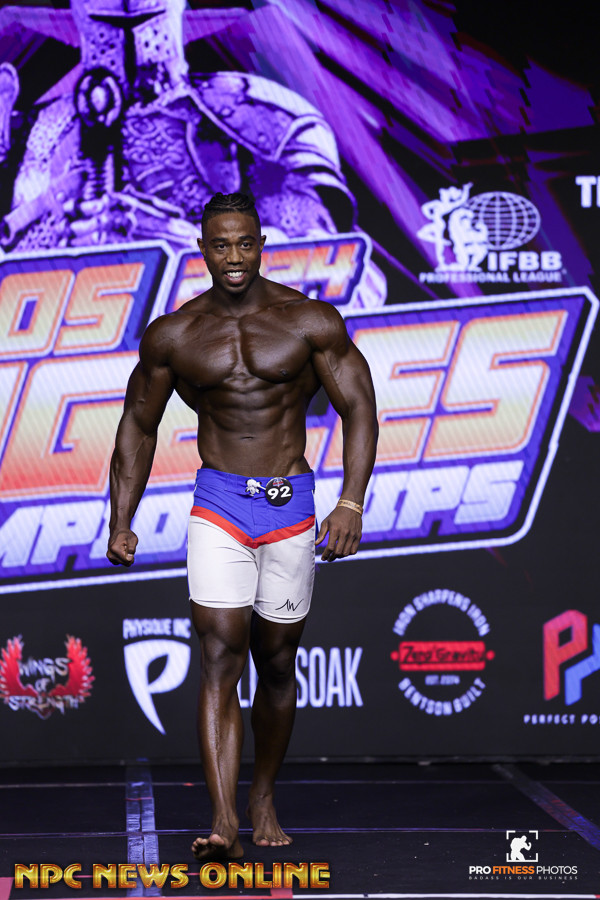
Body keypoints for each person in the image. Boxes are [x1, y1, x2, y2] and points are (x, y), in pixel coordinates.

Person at [107, 191, 378, 860]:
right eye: (221, 245)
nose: (234, 256)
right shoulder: (175, 334)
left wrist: (351, 503)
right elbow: (138, 425)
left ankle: (262, 795)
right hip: (219, 502)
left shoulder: (308, 320)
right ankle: (224, 819)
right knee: (220, 652)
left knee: (277, 660)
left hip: (291, 504)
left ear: (261, 245)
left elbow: (360, 408)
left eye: (245, 243)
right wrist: (121, 519)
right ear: (203, 249)